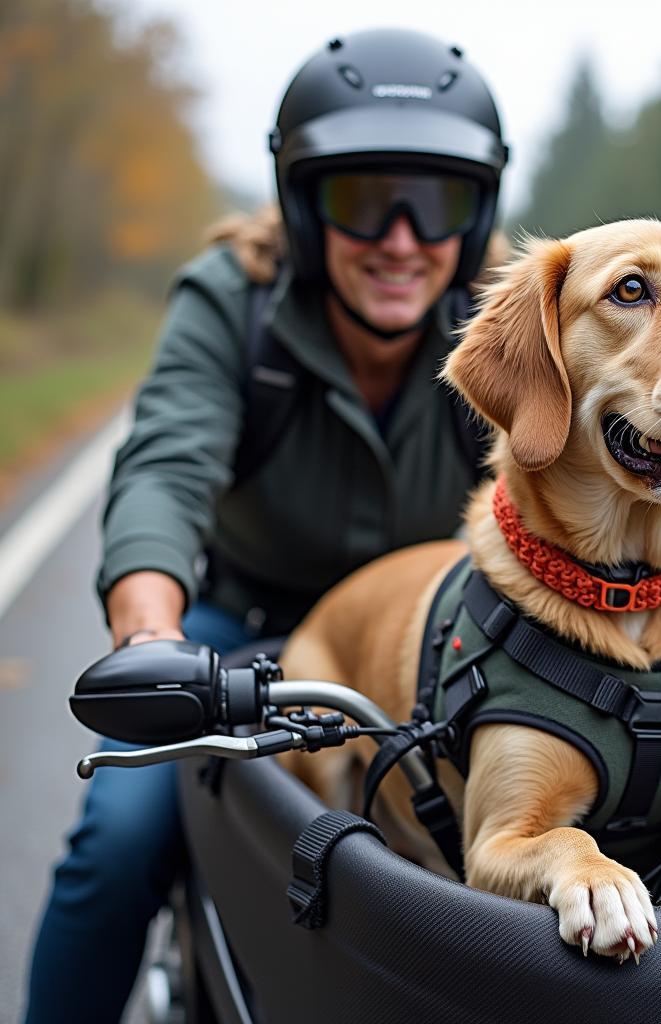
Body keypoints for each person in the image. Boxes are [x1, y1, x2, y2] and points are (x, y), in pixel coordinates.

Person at [24, 28, 508, 1023]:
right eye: (366, 199)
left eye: (439, 202)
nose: (404, 239)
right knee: (116, 844)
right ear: (300, 199)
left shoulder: (504, 329)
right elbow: (164, 469)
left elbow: (609, 494)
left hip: (440, 647)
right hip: (236, 637)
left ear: (479, 211)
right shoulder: (232, 304)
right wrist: (152, 636)